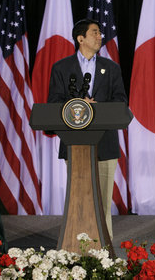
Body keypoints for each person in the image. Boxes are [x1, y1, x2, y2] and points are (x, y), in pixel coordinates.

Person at [47, 18, 127, 239]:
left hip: (105, 144)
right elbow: (54, 102)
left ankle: (105, 252)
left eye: (100, 32)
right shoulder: (61, 68)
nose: (100, 36)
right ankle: (74, 250)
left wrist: (97, 108)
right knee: (78, 202)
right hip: (74, 144)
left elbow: (121, 101)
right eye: (95, 32)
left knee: (102, 202)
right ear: (80, 38)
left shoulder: (111, 68)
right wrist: (77, 106)